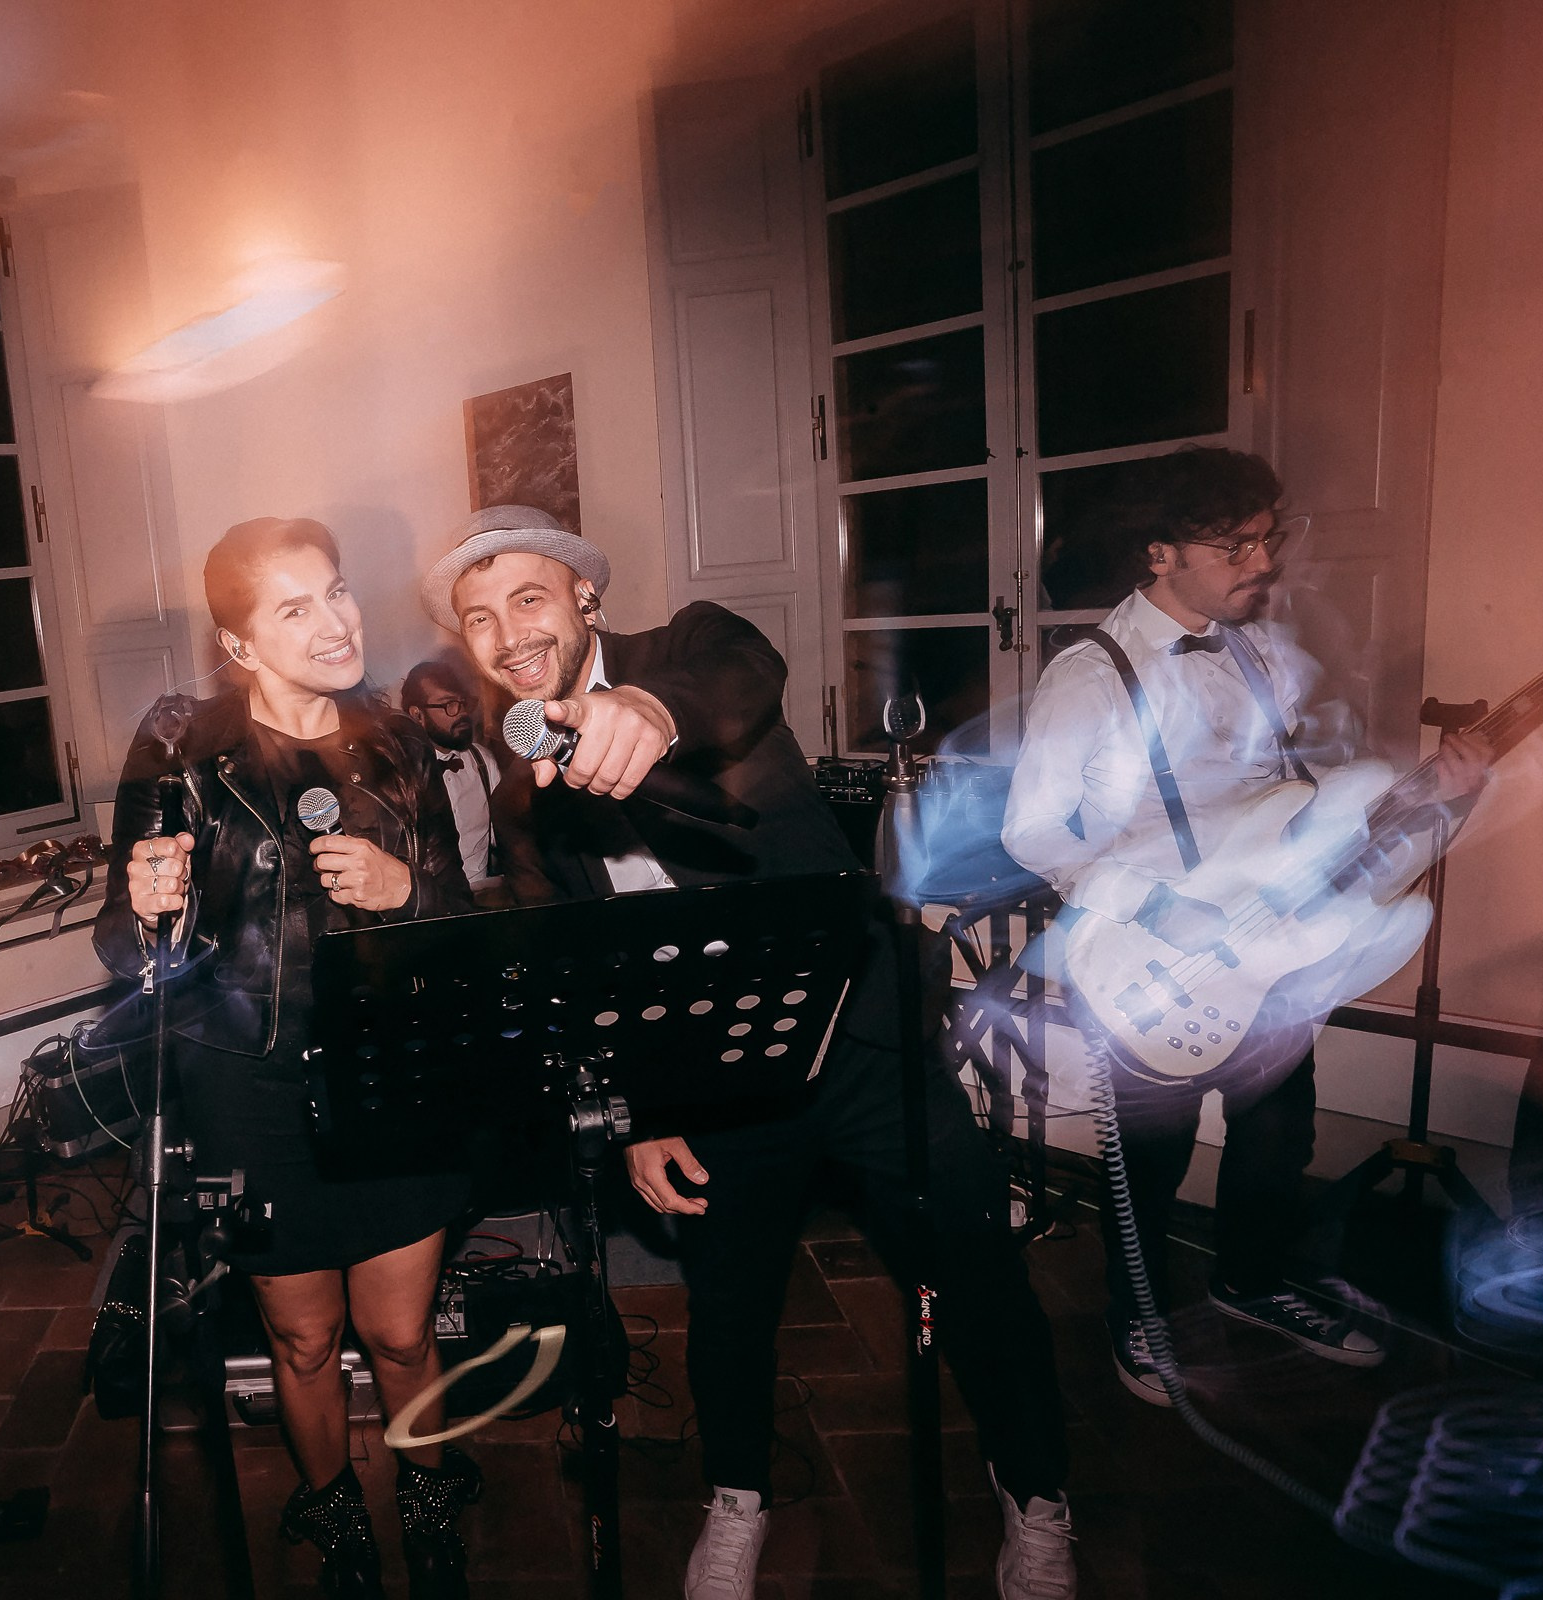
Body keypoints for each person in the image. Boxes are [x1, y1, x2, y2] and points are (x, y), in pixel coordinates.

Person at [426, 505, 1076, 1600]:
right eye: (480, 618)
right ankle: (739, 1498)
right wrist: (638, 1109)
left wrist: (641, 709)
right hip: (714, 1080)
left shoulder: (689, 650)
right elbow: (583, 976)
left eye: (528, 599)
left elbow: (742, 675)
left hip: (865, 1042)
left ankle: (1039, 1495)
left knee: (973, 1272)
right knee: (730, 1309)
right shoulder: (519, 793)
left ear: (585, 597)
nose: (507, 634)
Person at [1002, 447, 1491, 1404]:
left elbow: (1287, 802)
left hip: (1268, 948)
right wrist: (1161, 907)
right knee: (1153, 1153)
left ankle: (1251, 1281)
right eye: (1234, 546)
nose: (1261, 564)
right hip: (1150, 953)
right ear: (1159, 553)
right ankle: (1134, 1314)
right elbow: (1033, 831)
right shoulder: (1092, 676)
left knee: (1278, 1135)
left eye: (1268, 539)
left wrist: (1437, 797)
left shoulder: (1257, 653)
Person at [94, 518, 480, 1600]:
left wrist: (408, 891)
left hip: (390, 1072)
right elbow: (123, 948)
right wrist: (144, 906)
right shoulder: (180, 748)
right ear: (243, 644)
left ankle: (427, 1490)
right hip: (245, 1087)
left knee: (400, 1333)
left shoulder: (399, 742)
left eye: (340, 591)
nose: (337, 622)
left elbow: (462, 919)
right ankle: (336, 1508)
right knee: (302, 1340)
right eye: (296, 607)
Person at [398, 658, 511, 897]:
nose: (461, 713)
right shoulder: (399, 772)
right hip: (426, 903)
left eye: (463, 703)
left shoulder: (483, 762)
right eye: (449, 705)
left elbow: (508, 838)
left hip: (480, 897)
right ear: (417, 715)